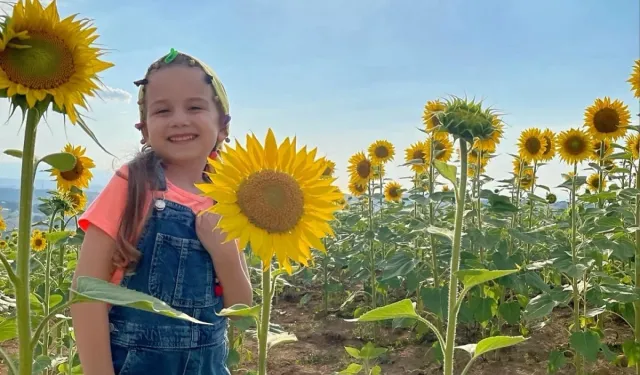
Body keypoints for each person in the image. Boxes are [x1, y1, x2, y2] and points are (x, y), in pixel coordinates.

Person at [70, 49, 253, 375]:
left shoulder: (228, 200)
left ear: (222, 125)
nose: (179, 118)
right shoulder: (132, 185)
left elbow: (240, 312)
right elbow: (86, 292)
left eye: (194, 106)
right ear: (144, 128)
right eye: (163, 110)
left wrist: (225, 254)